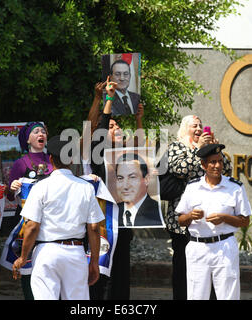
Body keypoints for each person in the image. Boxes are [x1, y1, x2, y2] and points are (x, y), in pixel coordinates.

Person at [11, 135, 105, 300]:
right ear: (70, 160)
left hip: (47, 253)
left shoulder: (40, 187)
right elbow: (94, 227)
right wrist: (95, 263)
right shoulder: (86, 188)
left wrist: (23, 257)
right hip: (76, 253)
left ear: (50, 159)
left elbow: (32, 226)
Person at [163, 114, 231, 300]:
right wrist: (199, 150)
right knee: (184, 268)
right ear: (185, 129)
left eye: (201, 125)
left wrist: (216, 151)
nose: (199, 129)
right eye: (194, 126)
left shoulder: (210, 151)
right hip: (183, 220)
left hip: (209, 221)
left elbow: (227, 171)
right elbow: (179, 169)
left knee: (209, 270)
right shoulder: (176, 147)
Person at [90, 77, 144, 300]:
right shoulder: (98, 155)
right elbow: (100, 128)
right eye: (112, 126)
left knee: (121, 275)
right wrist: (108, 100)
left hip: (124, 221)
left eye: (118, 125)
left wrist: (139, 119)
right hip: (104, 224)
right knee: (102, 274)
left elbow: (144, 153)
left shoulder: (127, 155)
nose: (117, 127)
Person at [176, 144, 251, 300]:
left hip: (224, 246)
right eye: (212, 162)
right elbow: (181, 220)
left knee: (228, 295)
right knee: (196, 295)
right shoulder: (192, 187)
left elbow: (245, 221)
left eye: (220, 161)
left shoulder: (235, 187)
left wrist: (224, 218)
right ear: (203, 165)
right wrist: (191, 215)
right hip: (198, 247)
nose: (217, 166)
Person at [7, 121, 53, 300]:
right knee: (28, 265)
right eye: (36, 132)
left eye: (43, 131)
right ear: (27, 139)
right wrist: (12, 186)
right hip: (28, 221)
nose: (41, 134)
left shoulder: (52, 159)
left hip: (50, 220)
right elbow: (9, 195)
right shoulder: (20, 163)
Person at [115, 153, 162, 227]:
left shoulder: (157, 211)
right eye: (120, 178)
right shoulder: (113, 211)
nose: (125, 186)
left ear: (146, 180)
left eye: (132, 177)